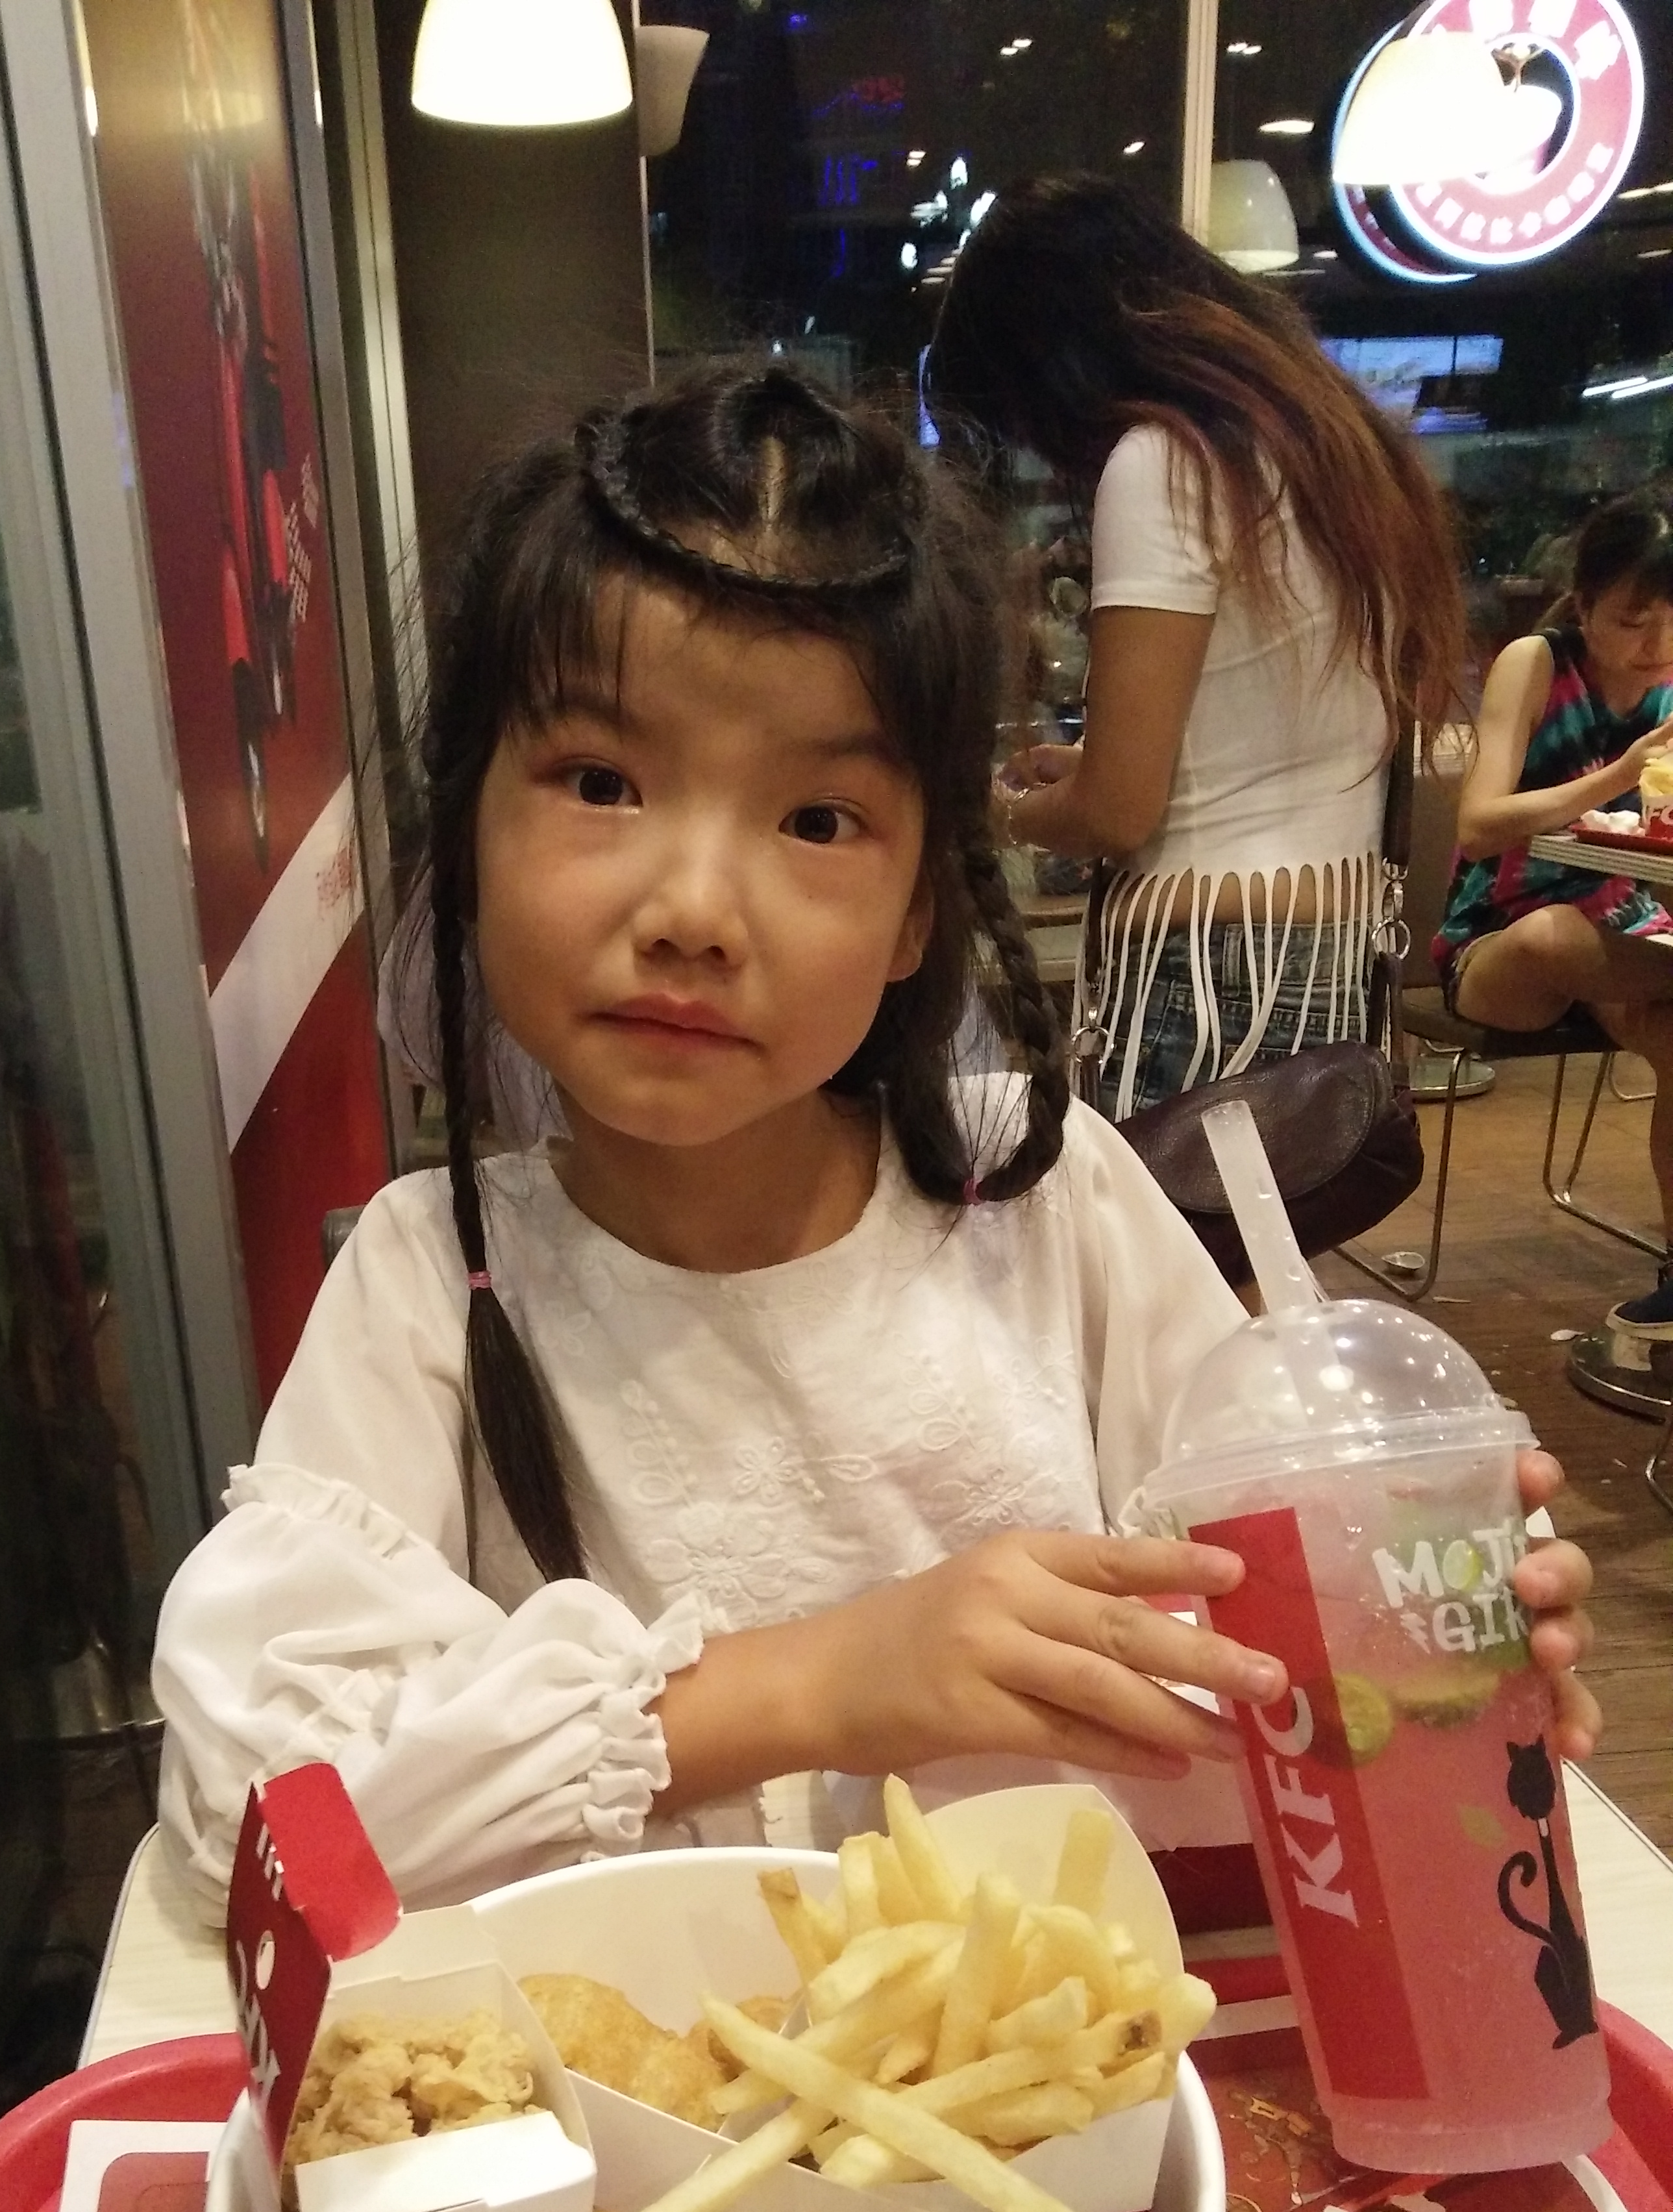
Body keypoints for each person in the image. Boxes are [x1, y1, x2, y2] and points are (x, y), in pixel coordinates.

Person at [151, 364, 1595, 1916]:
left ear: (919, 912)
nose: (693, 911)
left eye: (817, 820)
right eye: (601, 783)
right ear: (468, 832)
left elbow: (1246, 1616)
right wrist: (816, 1682)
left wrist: (1412, 1616)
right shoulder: (432, 1278)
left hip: (1083, 2031)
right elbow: (266, 1822)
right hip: (626, 2056)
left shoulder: (1043, 1195)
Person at [921, 175, 1465, 1121]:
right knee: (1275, 1221)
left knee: (1162, 1223)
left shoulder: (1165, 462)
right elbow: (1277, 732)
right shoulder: (1328, 446)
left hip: (1208, 971)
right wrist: (1095, 768)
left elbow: (1118, 813)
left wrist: (998, 815)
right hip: (1331, 952)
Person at [1439, 490, 1673, 1339]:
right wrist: (1621, 775)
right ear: (1584, 606)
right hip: (1499, 939)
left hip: (1625, 931)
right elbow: (1478, 825)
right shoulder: (1535, 662)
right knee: (1553, 932)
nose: (1659, 646)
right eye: (1635, 622)